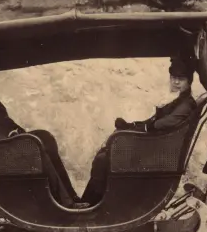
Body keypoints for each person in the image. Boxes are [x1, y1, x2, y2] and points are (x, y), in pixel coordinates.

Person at [0, 63, 85, 208]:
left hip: (8, 144)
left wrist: (20, 133)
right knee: (36, 148)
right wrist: (12, 141)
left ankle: (71, 196)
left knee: (45, 139)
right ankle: (65, 202)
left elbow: (5, 122)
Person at [80, 67, 198, 206]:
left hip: (156, 155)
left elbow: (166, 123)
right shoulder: (178, 100)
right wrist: (132, 125)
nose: (176, 82)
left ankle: (93, 204)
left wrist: (146, 127)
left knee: (102, 159)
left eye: (181, 79)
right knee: (105, 155)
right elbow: (155, 121)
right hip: (154, 149)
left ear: (189, 82)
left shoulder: (187, 103)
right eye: (173, 78)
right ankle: (89, 202)